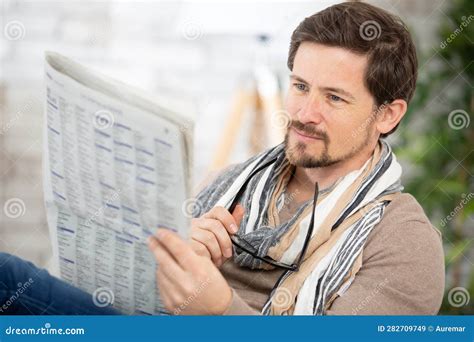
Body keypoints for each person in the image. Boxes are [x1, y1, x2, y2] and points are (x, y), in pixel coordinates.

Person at [0, 2, 444, 316]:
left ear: (387, 114)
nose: (305, 114)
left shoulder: (404, 242)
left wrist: (218, 310)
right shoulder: (234, 182)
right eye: (301, 86)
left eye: (334, 97)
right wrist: (175, 258)